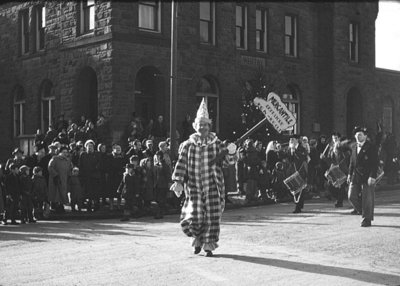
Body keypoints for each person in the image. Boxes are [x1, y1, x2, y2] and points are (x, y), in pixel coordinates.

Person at [170, 98, 235, 257]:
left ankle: (208, 245)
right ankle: (196, 240)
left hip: (213, 186)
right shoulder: (188, 144)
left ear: (209, 126)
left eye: (206, 124)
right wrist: (178, 181)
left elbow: (227, 163)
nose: (203, 127)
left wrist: (231, 152)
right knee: (195, 216)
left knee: (212, 216)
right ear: (195, 126)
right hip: (194, 187)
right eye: (200, 124)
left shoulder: (216, 143)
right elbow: (181, 163)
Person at [347, 126, 379, 227]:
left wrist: (372, 176)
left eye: (360, 134)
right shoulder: (353, 147)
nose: (358, 136)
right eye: (356, 135)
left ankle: (367, 219)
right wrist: (349, 174)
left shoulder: (371, 147)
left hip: (367, 175)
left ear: (365, 136)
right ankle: (361, 210)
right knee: (351, 196)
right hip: (355, 175)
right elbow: (352, 162)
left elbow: (375, 163)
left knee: (367, 198)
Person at [286, 135, 308, 213]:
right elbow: (289, 160)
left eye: (293, 139)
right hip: (293, 171)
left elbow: (302, 158)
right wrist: (291, 151)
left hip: (301, 171)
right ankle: (299, 204)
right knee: (294, 188)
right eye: (290, 139)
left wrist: (295, 150)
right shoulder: (290, 149)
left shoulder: (302, 148)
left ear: (297, 140)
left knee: (299, 189)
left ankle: (298, 206)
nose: (291, 141)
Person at [48, 146, 72, 213]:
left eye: (66, 152)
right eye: (63, 152)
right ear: (60, 152)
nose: (65, 154)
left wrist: (70, 175)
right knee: (56, 193)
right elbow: (50, 167)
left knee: (63, 193)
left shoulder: (68, 160)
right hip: (56, 179)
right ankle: (54, 206)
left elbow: (70, 169)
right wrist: (55, 175)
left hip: (64, 179)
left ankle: (61, 205)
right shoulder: (55, 158)